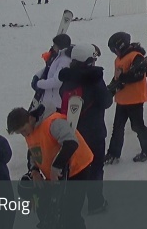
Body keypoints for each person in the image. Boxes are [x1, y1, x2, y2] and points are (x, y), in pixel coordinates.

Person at [7, 105, 94, 229]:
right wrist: (34, 171)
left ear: (30, 119)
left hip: (78, 168)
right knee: (54, 212)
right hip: (57, 175)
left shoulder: (53, 123)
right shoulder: (30, 132)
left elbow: (71, 143)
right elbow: (33, 152)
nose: (24, 134)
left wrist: (56, 167)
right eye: (20, 133)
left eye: (23, 130)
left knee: (71, 214)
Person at [59, 43, 113, 215]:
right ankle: (96, 202)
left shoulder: (67, 79)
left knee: (76, 169)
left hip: (73, 132)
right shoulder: (94, 78)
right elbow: (106, 101)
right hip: (94, 132)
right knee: (95, 167)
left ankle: (73, 203)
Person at [104, 31, 147, 163]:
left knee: (138, 126)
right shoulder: (119, 60)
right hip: (122, 99)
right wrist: (111, 88)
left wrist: (122, 78)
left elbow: (138, 75)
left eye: (114, 49)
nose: (114, 52)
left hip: (135, 99)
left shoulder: (136, 56)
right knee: (117, 127)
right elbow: (117, 77)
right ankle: (113, 154)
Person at [32, 33, 73, 113]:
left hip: (55, 104)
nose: (53, 47)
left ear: (60, 46)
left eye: (55, 45)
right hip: (49, 102)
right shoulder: (58, 57)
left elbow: (57, 81)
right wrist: (37, 76)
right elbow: (49, 68)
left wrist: (39, 84)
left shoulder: (64, 61)